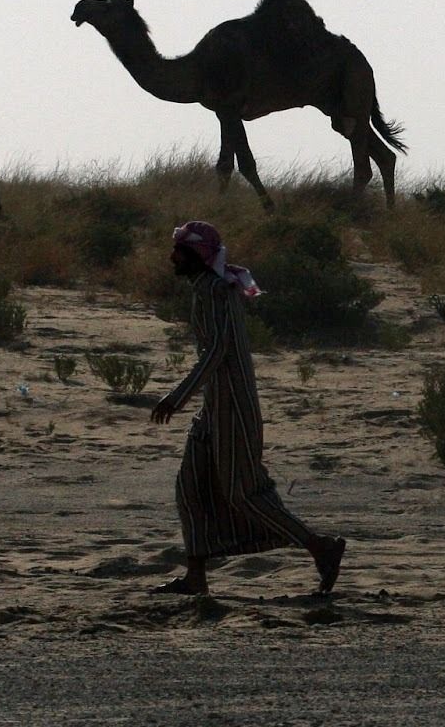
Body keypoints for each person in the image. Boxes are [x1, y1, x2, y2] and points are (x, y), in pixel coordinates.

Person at [148, 221, 346, 596]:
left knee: (243, 494)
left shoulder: (214, 290)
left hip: (232, 407)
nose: (172, 257)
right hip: (213, 408)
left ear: (196, 256)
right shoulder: (207, 287)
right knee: (189, 487)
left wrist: (177, 396)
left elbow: (218, 350)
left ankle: (320, 547)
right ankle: (196, 578)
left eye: (179, 251)